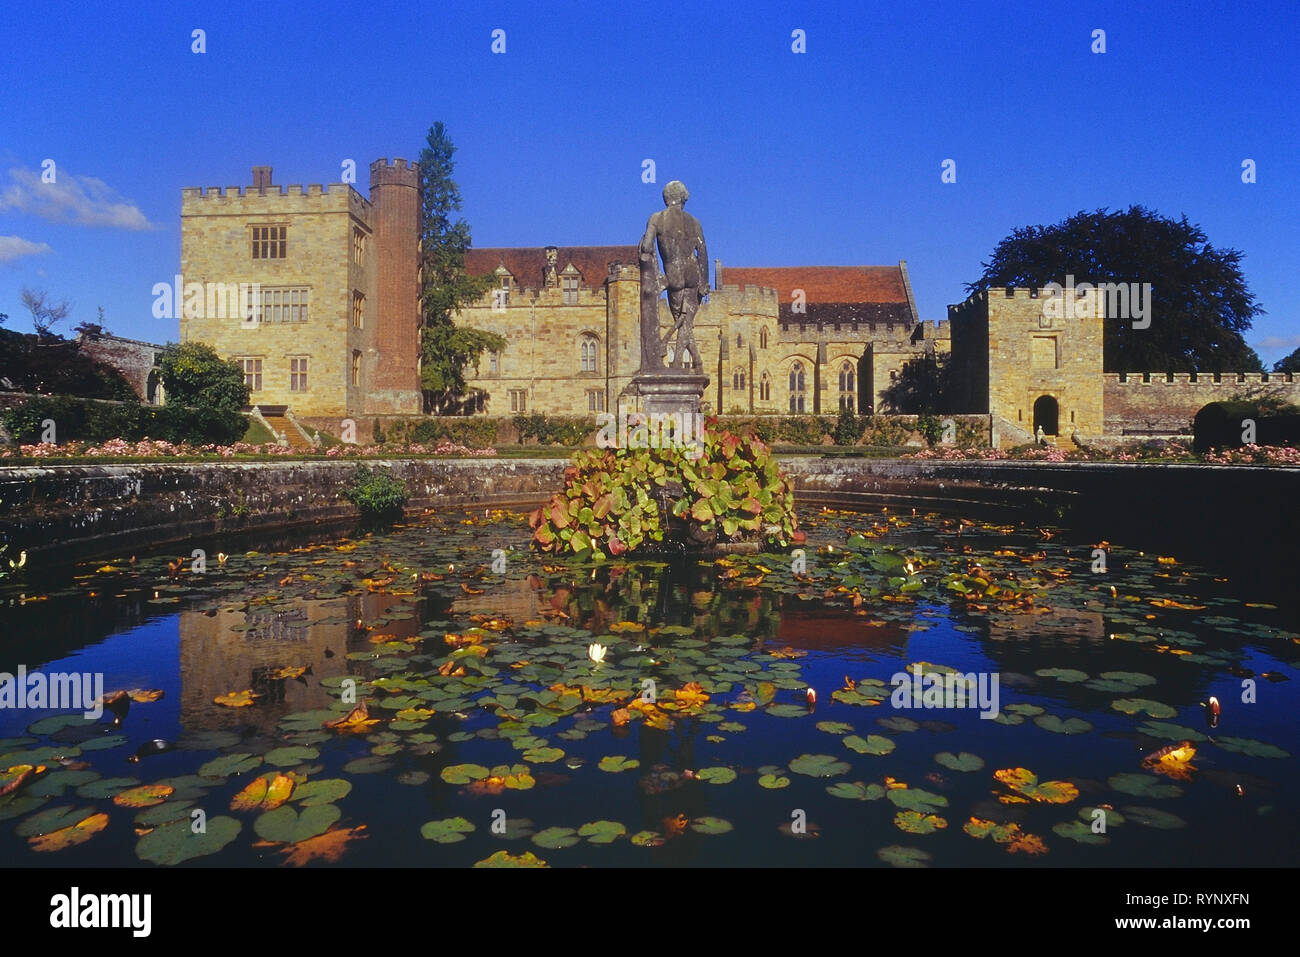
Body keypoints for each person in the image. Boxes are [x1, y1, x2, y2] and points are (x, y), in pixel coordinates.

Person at [639, 181, 709, 371]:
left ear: (666, 198)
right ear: (683, 199)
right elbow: (702, 253)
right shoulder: (695, 223)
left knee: (682, 322)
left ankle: (680, 364)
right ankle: (691, 362)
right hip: (693, 274)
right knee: (686, 323)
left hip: (674, 275)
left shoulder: (657, 218)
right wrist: (704, 282)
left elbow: (646, 246)